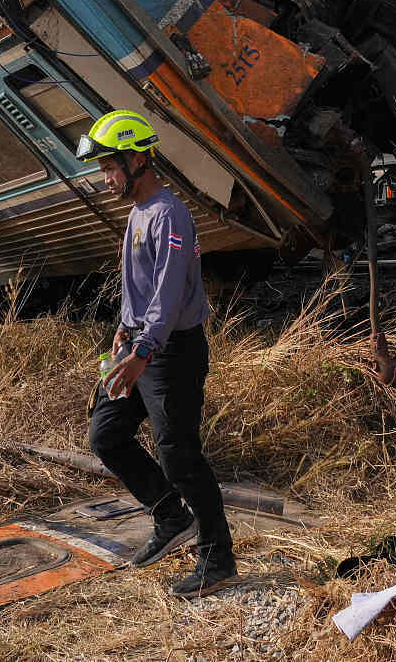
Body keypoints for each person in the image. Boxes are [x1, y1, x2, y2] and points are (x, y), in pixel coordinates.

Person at [79, 110, 239, 599]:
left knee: (179, 454)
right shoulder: (137, 214)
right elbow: (141, 289)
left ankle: (218, 559)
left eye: (109, 167)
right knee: (105, 435)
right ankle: (171, 515)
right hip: (141, 344)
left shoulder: (169, 214)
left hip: (171, 353)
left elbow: (168, 295)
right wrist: (123, 331)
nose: (105, 179)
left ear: (135, 159)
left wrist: (143, 349)